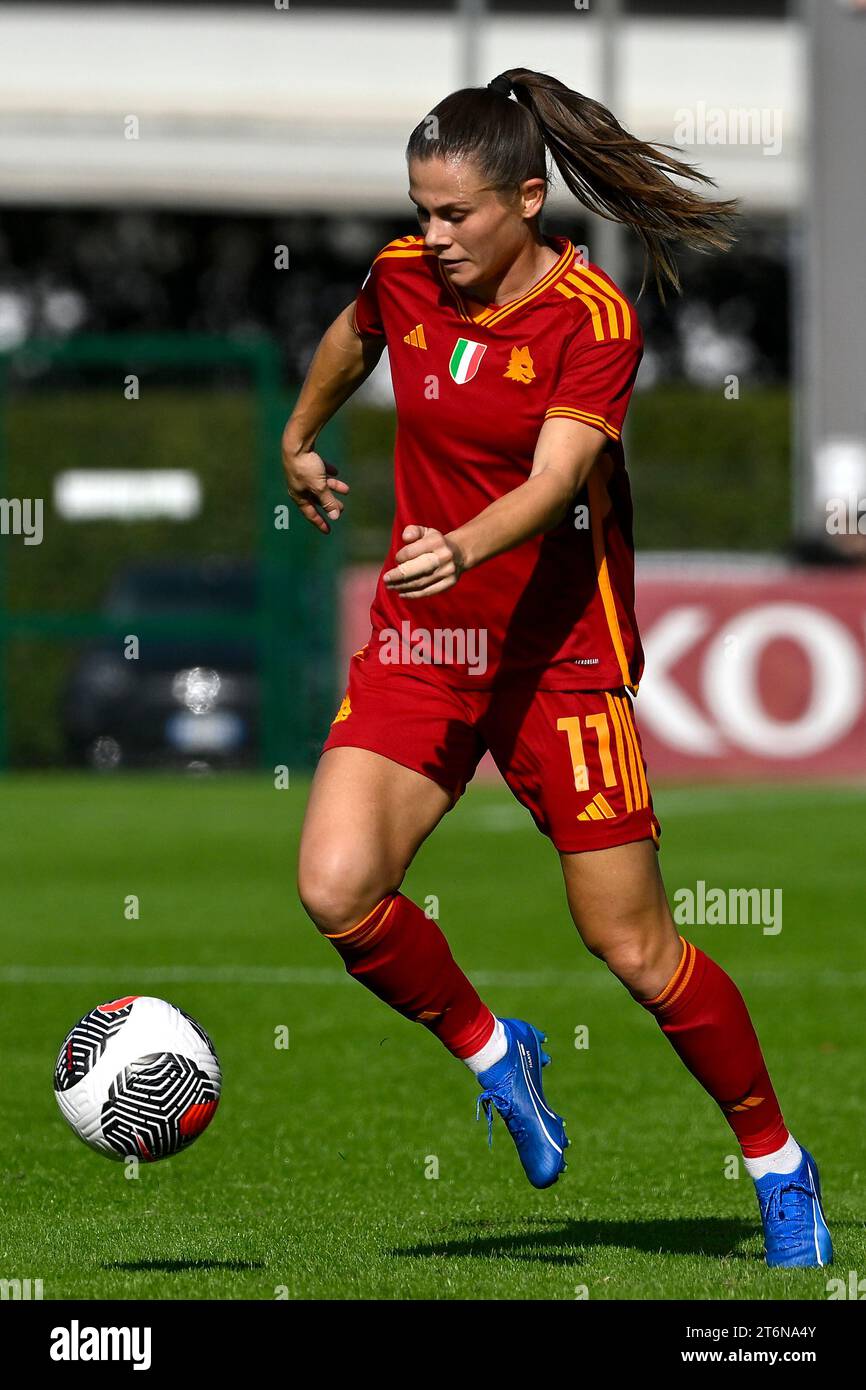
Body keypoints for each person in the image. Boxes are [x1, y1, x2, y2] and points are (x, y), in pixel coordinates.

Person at [282, 69, 832, 1268]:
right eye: (419, 210)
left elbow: (549, 484)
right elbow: (351, 331)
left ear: (526, 199)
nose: (430, 237)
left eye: (454, 216)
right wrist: (299, 436)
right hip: (427, 647)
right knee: (334, 886)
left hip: (558, 662)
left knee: (635, 950)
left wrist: (458, 546)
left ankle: (777, 1165)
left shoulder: (592, 320)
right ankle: (495, 1054)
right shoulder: (399, 277)